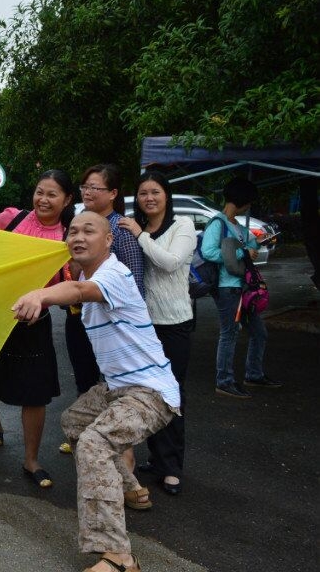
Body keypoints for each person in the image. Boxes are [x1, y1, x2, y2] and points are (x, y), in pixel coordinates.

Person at [12, 211, 180, 572]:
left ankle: (119, 556)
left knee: (93, 443)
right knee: (74, 421)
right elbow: (72, 288)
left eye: (89, 230)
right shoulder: (87, 275)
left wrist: (41, 295)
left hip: (150, 391)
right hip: (118, 387)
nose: (78, 236)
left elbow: (74, 291)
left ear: (108, 240)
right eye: (72, 231)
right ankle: (132, 488)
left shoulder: (114, 274)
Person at [0, 169, 74, 486]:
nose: (43, 199)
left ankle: (31, 460)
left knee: (35, 395)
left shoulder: (68, 237)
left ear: (67, 200)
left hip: (35, 325)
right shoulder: (12, 217)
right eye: (39, 192)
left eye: (52, 194)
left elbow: (70, 283)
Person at [58, 164, 145, 459]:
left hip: (112, 325)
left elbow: (135, 284)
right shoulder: (77, 223)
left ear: (113, 194)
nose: (88, 192)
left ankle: (117, 449)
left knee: (113, 386)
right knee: (84, 381)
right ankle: (87, 437)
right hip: (78, 318)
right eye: (85, 187)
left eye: (95, 187)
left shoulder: (121, 230)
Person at [118, 172, 195, 496]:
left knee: (171, 395)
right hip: (145, 326)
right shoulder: (140, 229)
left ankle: (173, 467)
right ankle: (157, 458)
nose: (149, 198)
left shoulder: (183, 226)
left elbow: (170, 262)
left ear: (166, 195)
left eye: (155, 192)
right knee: (148, 394)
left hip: (175, 322)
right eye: (143, 193)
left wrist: (139, 235)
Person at [201, 177, 278, 398]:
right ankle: (224, 381)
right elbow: (208, 252)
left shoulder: (236, 225)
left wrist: (259, 242)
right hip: (228, 287)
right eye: (249, 201)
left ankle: (253, 374)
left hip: (243, 287)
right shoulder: (218, 223)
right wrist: (241, 254)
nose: (250, 206)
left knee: (259, 333)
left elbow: (249, 246)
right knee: (229, 333)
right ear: (243, 201)